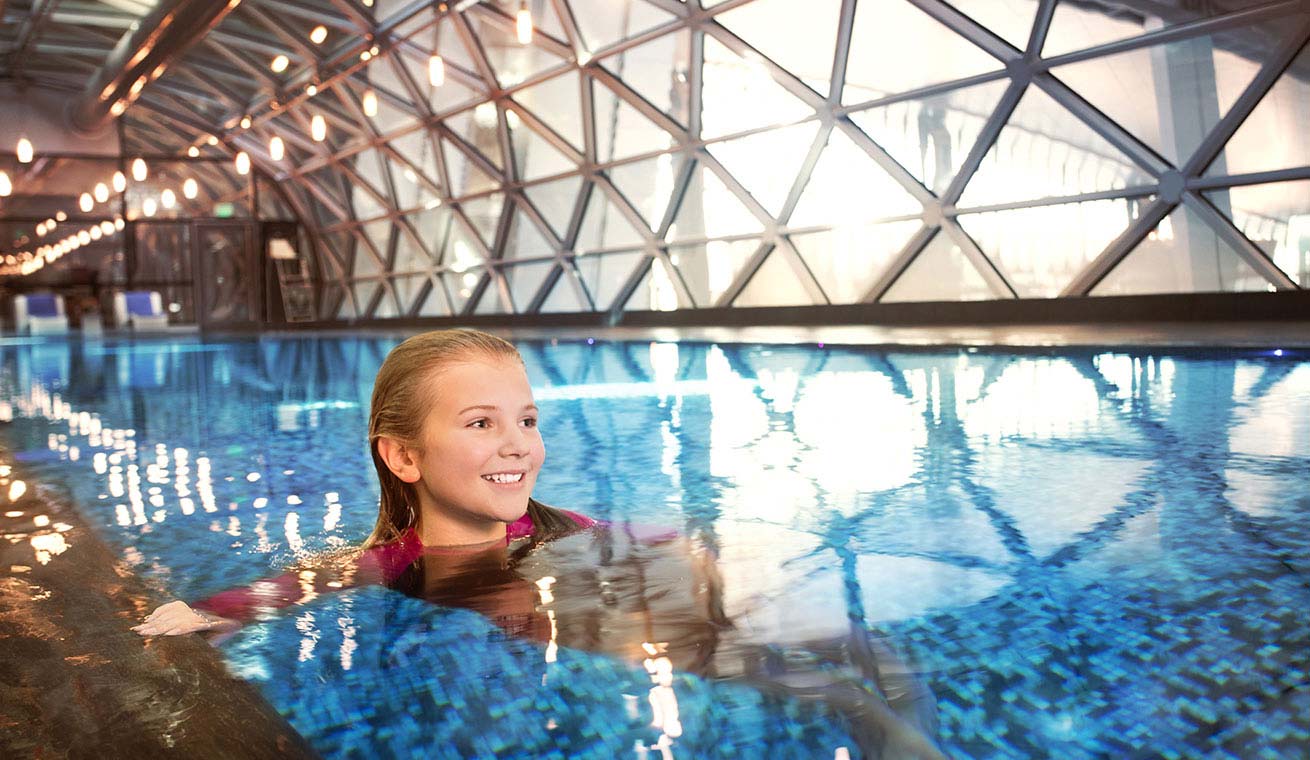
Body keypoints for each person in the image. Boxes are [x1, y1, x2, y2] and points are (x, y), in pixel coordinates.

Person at [133, 329, 595, 637]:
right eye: (480, 424)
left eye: (528, 420)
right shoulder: (386, 564)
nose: (518, 445)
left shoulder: (561, 528)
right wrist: (209, 612)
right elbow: (301, 584)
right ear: (404, 457)